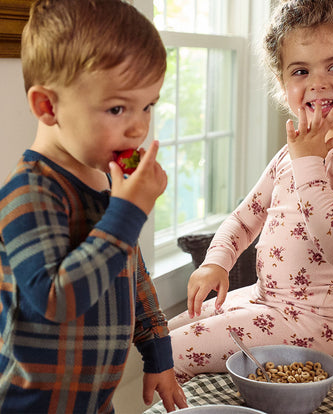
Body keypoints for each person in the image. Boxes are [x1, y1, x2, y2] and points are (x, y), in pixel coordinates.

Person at [169, 0, 333, 384]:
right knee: (162, 332)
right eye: (301, 70)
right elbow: (245, 217)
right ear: (283, 84)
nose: (318, 82)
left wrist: (309, 163)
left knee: (171, 352)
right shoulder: (289, 153)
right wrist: (217, 262)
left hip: (313, 323)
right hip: (265, 299)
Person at [0, 0, 187, 412]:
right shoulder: (29, 193)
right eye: (118, 108)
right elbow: (56, 301)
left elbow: (129, 270)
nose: (139, 127)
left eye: (148, 105)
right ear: (48, 107)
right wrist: (128, 212)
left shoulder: (107, 180)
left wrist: (158, 353)